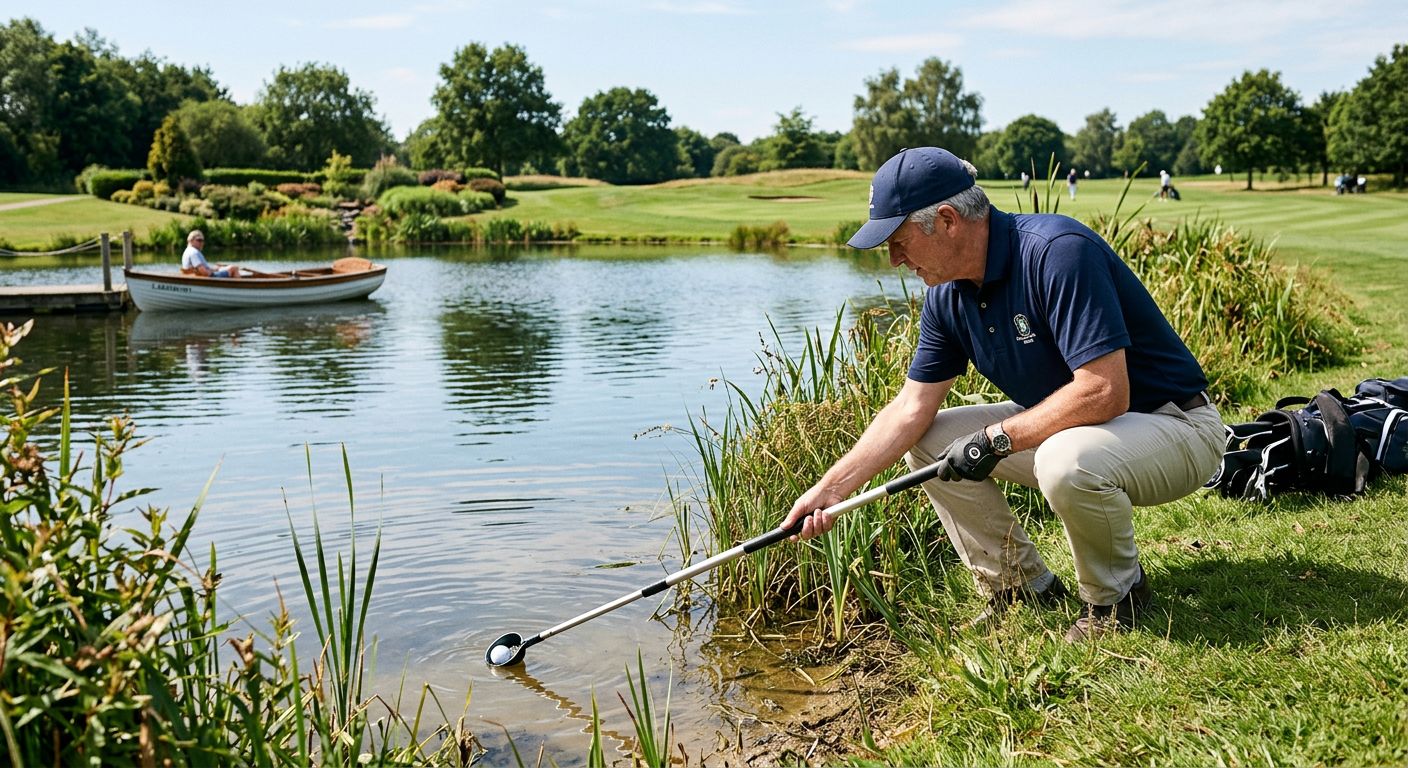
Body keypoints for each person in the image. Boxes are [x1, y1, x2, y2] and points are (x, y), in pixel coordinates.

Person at [781, 147, 1224, 642]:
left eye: (900, 241)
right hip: (1084, 431)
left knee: (1063, 459)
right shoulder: (946, 296)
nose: (894, 259)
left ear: (947, 220)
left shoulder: (1056, 251)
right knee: (930, 439)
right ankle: (1019, 587)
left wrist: (997, 438)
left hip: (1176, 427)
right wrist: (831, 488)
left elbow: (1104, 391)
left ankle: (1116, 600)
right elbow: (910, 409)